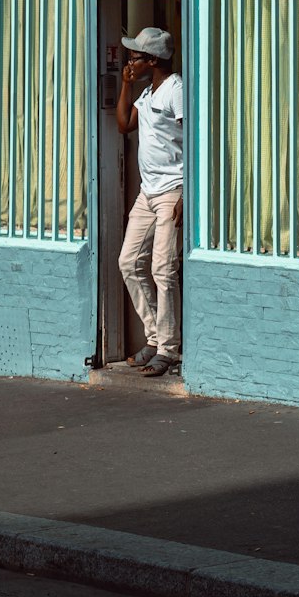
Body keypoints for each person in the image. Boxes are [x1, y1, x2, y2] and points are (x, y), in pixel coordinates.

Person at [116, 26, 183, 378]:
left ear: (153, 59)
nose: (131, 59)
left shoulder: (176, 90)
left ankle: (169, 350)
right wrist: (126, 83)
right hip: (148, 192)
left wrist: (186, 193)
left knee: (163, 270)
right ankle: (156, 338)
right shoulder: (145, 92)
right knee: (128, 262)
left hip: (172, 190)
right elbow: (124, 123)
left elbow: (194, 138)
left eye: (136, 56)